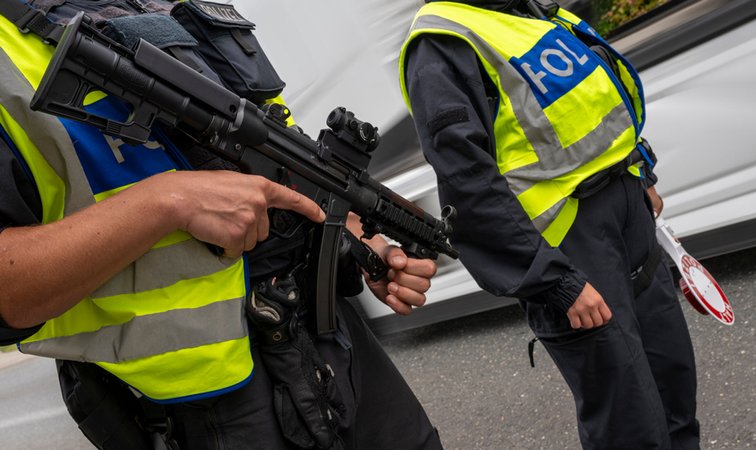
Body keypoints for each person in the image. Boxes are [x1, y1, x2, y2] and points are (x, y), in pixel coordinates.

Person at [0, 0, 443, 449]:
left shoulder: (161, 5)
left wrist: (358, 235)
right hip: (205, 408)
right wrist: (169, 202)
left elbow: (282, 152)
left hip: (336, 342)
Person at [398, 1, 700, 448]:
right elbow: (468, 185)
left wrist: (642, 175)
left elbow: (594, 102)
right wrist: (554, 281)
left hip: (627, 215)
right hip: (570, 249)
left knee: (675, 389)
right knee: (629, 421)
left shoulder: (524, 10)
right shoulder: (440, 45)